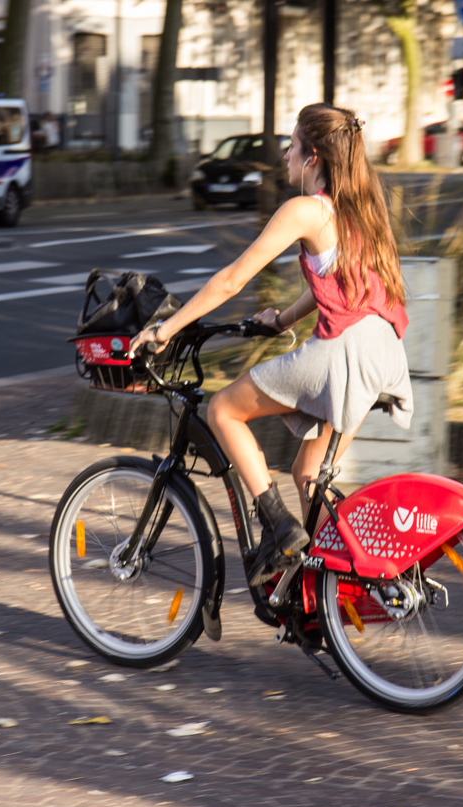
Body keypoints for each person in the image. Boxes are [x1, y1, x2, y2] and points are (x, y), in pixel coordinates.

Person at [130, 103, 413, 587]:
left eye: (292, 145)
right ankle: (332, 598)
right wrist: (280, 320)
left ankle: (277, 525)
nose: (285, 154)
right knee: (309, 473)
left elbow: (232, 279)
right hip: (384, 353)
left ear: (313, 157)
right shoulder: (365, 206)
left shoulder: (305, 209)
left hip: (342, 353)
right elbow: (340, 279)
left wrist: (166, 329)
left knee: (222, 410)